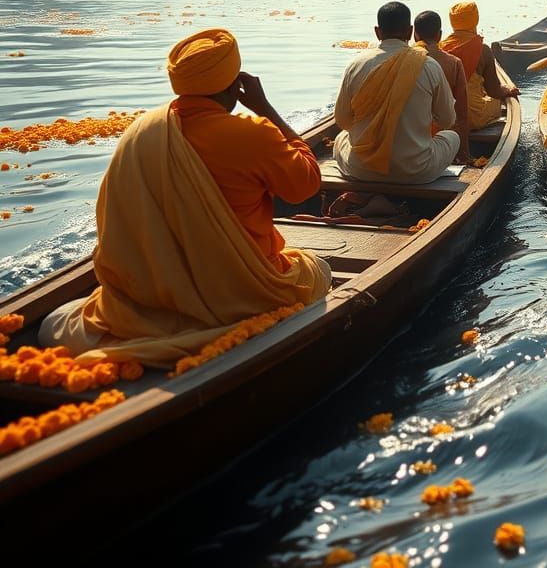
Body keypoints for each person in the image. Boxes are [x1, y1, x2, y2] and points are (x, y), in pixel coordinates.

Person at [40, 28, 331, 366]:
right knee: (319, 270)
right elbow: (306, 184)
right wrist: (266, 108)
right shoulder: (253, 135)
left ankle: (150, 330)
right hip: (239, 294)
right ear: (235, 82)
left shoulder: (142, 131)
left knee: (52, 326)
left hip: (149, 301)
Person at [334, 2, 460, 183]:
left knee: (340, 138)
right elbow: (448, 120)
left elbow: (343, 120)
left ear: (377, 32)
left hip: (361, 170)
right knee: (452, 136)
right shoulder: (429, 65)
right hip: (416, 171)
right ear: (409, 32)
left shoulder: (355, 65)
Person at [440, 1, 519, 129]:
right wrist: (507, 90)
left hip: (446, 117)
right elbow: (494, 91)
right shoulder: (483, 50)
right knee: (495, 102)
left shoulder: (441, 47)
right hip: (473, 116)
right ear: (475, 19)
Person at [414, 10, 469, 162]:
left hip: (409, 136)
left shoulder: (401, 61)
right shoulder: (453, 63)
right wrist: (464, 153)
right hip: (436, 137)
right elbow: (461, 113)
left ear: (414, 34)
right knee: (450, 133)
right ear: (439, 35)